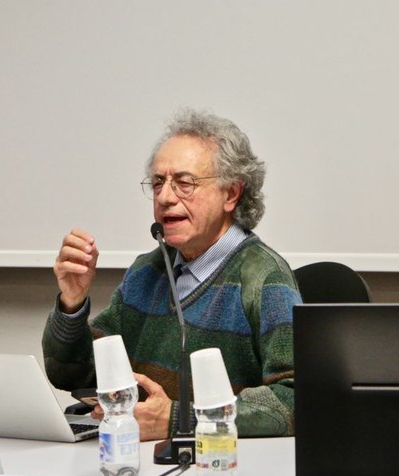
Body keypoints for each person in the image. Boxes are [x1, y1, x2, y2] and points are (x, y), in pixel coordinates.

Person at [43, 108, 301, 440]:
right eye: (158, 183)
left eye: (184, 183)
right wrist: (72, 303)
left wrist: (179, 419)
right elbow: (73, 375)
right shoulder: (147, 272)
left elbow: (296, 399)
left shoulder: (264, 278)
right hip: (142, 457)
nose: (165, 197)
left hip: (222, 462)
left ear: (231, 193)